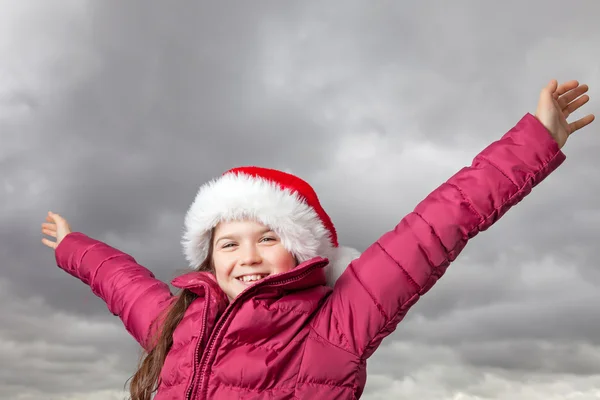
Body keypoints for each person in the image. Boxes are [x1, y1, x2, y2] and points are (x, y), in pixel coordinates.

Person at [41, 80, 594, 400]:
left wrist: (535, 141)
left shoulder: (339, 323)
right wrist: (72, 245)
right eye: (229, 244)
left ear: (303, 251)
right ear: (210, 258)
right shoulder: (176, 321)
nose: (248, 257)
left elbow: (437, 225)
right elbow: (119, 280)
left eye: (267, 237)